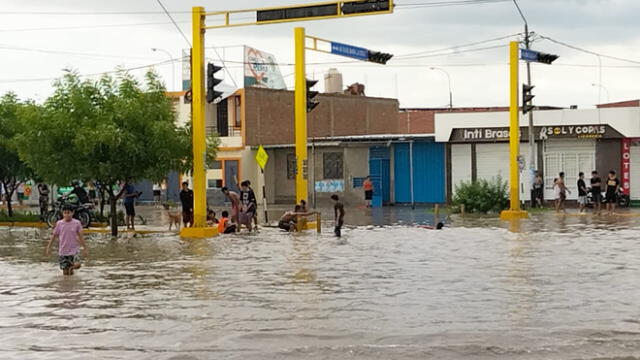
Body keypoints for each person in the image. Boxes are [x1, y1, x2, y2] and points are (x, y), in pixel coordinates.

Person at [46, 206, 88, 276]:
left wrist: (85, 248)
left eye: (68, 213)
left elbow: (81, 237)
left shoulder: (77, 223)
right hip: (63, 251)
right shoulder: (59, 223)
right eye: (65, 213)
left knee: (78, 265)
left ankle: (71, 268)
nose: (66, 215)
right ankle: (69, 285)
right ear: (62, 213)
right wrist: (49, 247)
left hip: (74, 250)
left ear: (72, 213)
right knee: (66, 274)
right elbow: (54, 236)